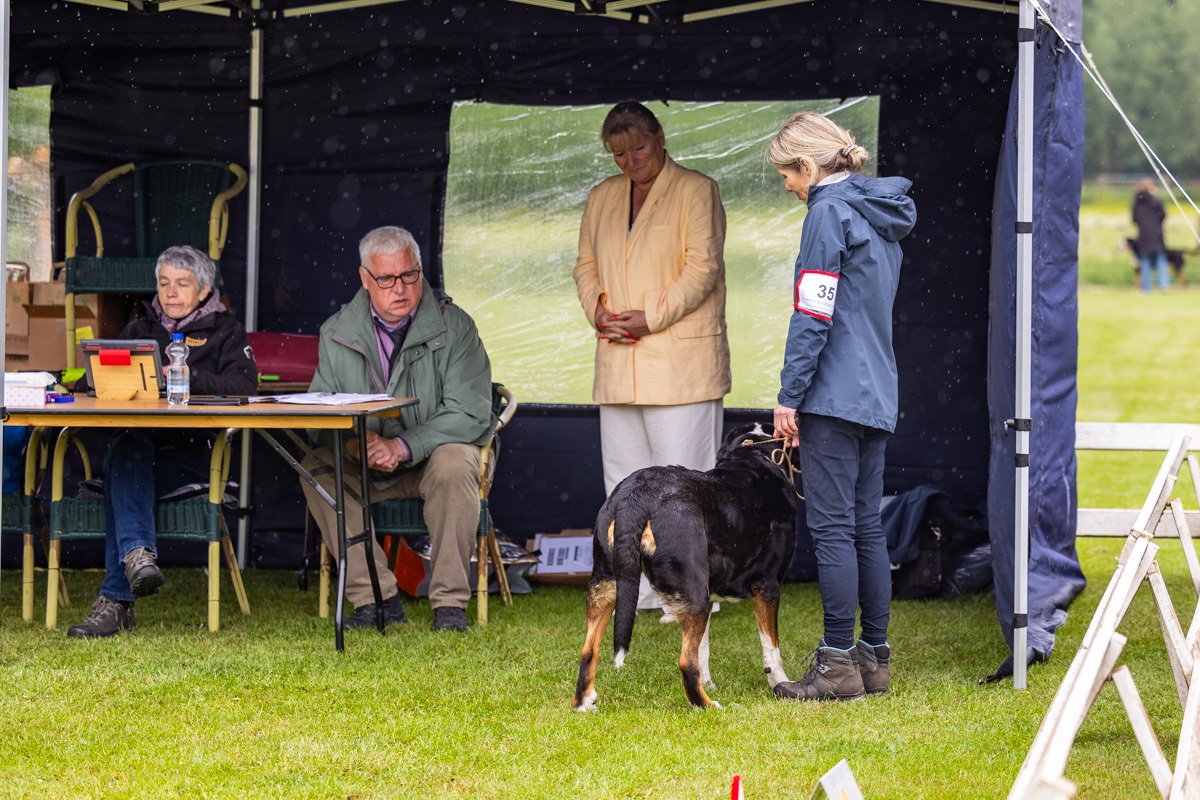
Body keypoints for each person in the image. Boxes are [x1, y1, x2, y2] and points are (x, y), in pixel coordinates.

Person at [765, 112, 916, 701]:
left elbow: (813, 313)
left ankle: (835, 666)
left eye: (786, 174)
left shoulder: (827, 213)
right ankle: (874, 661)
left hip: (832, 395)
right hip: (877, 391)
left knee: (831, 531)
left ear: (808, 165)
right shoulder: (880, 213)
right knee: (865, 528)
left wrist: (789, 395)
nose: (786, 186)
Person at [572, 101, 731, 621]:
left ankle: (689, 592)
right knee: (622, 484)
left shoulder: (697, 190)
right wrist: (598, 310)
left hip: (682, 365)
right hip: (618, 362)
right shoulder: (601, 197)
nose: (630, 161)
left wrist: (650, 316)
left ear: (660, 137)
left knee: (685, 489)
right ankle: (635, 590)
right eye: (619, 154)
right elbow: (585, 266)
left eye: (638, 148)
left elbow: (703, 268)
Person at [299, 225, 492, 633]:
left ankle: (450, 605)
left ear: (420, 269)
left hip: (433, 461)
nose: (400, 288)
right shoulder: (336, 332)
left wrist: (403, 446)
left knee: (456, 459)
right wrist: (354, 445)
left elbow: (471, 412)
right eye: (386, 279)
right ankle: (376, 600)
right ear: (364, 278)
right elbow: (319, 414)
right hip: (366, 464)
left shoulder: (455, 326)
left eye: (409, 274)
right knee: (316, 466)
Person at [68, 245, 258, 638]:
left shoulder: (226, 331)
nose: (170, 292)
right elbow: (91, 383)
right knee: (127, 450)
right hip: (137, 447)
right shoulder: (139, 329)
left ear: (203, 290)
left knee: (121, 472)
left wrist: (187, 376)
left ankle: (116, 600)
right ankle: (137, 559)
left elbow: (245, 385)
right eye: (164, 283)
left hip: (193, 455)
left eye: (182, 284)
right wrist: (99, 377)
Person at [1132, 178, 1169, 293]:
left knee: (1145, 260)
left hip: (1143, 234)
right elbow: (1163, 215)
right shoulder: (1156, 201)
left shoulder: (1137, 203)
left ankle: (1147, 288)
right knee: (1160, 259)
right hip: (1156, 233)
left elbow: (1134, 219)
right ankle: (1163, 284)